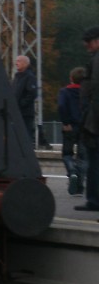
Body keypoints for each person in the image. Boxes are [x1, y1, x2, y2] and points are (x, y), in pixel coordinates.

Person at [77, 27, 99, 213]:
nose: (87, 47)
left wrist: (87, 118)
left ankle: (94, 200)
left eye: (89, 43)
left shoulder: (96, 60)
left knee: (94, 162)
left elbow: (92, 90)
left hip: (95, 122)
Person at [59, 66, 85, 195]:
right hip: (85, 127)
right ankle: (79, 184)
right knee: (82, 156)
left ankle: (72, 172)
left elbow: (62, 106)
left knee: (67, 154)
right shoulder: (87, 92)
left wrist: (66, 122)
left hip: (70, 127)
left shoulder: (65, 92)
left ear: (71, 78)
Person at [11, 54, 37, 144]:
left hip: (25, 113)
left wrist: (21, 104)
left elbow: (32, 93)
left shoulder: (29, 77)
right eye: (16, 61)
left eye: (19, 61)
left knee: (26, 135)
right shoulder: (17, 77)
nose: (16, 63)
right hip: (16, 112)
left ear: (25, 63)